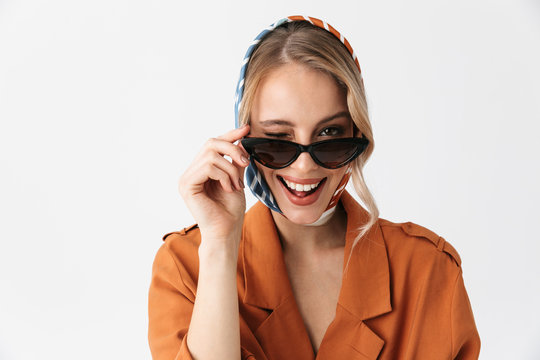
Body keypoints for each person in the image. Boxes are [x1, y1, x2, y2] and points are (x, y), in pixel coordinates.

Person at [148, 15, 481, 360]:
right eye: (278, 139)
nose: (304, 166)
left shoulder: (427, 271)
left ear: (357, 134)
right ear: (242, 137)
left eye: (330, 135)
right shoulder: (186, 268)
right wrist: (218, 245)